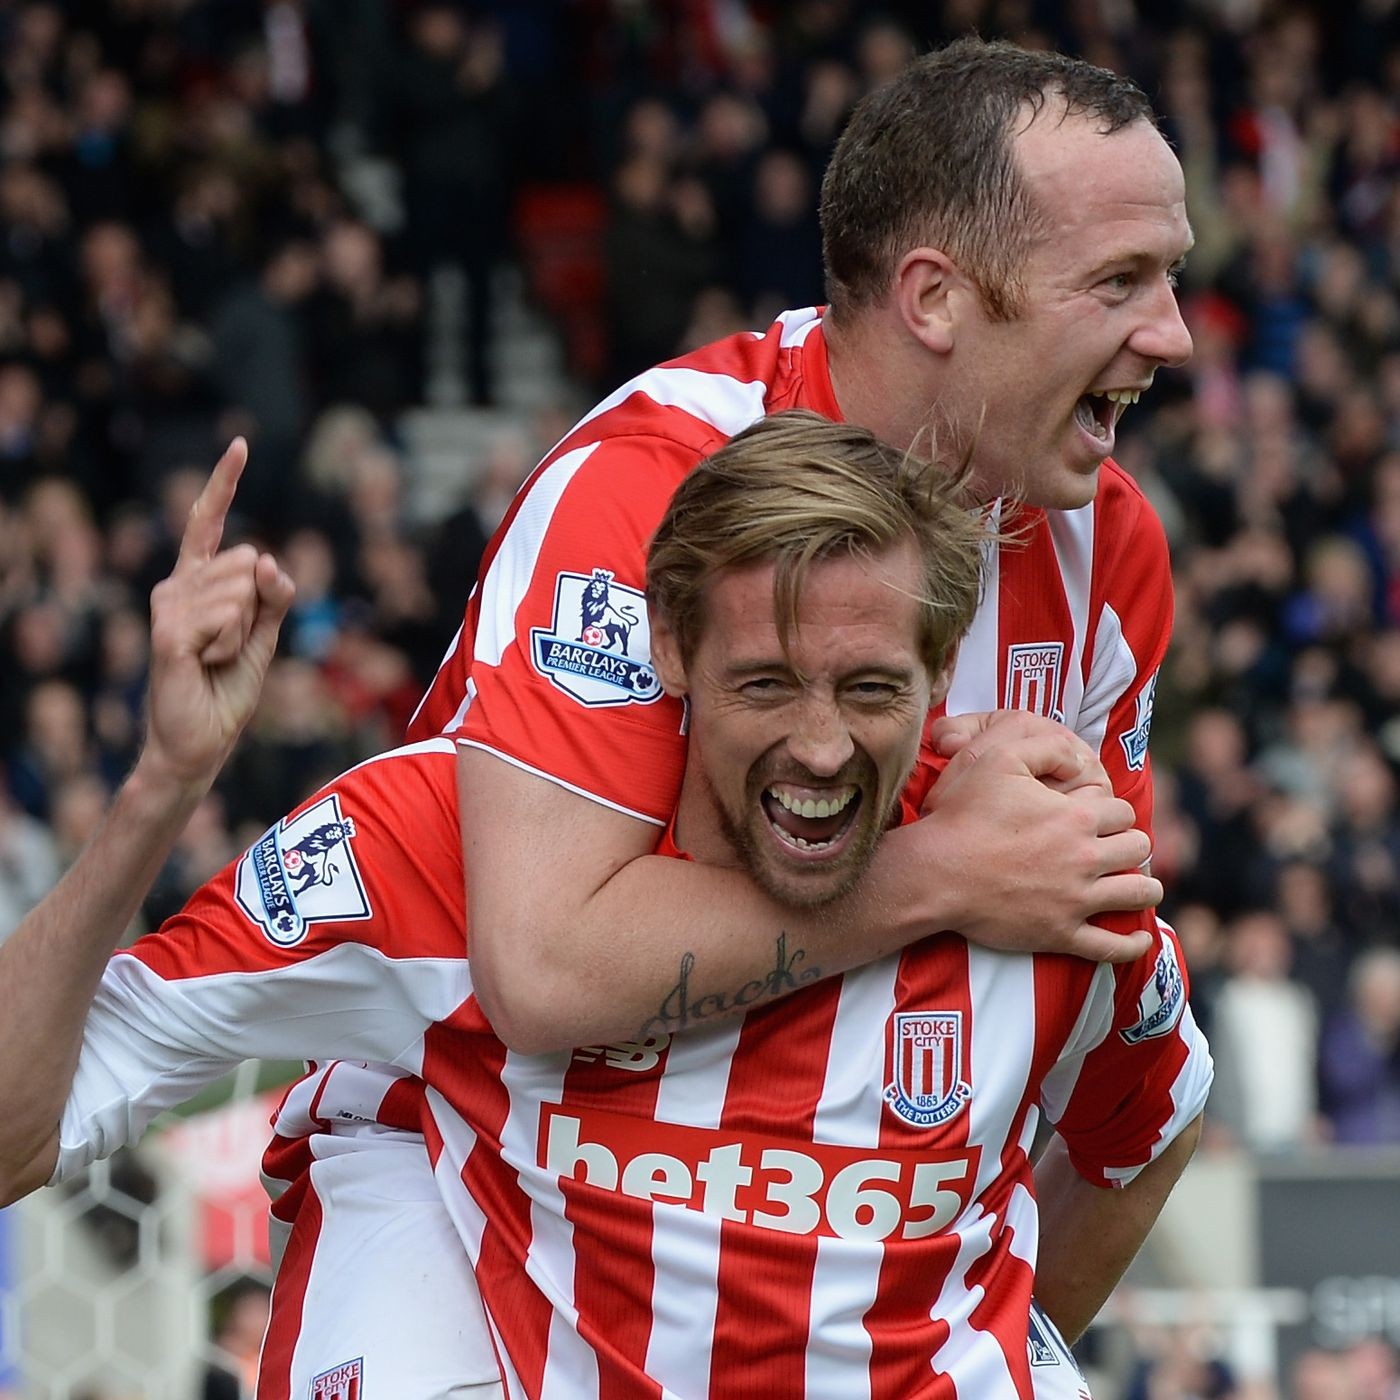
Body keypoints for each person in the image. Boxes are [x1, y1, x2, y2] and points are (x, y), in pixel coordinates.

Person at [267, 33, 1196, 1393]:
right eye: (1118, 281)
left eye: (1170, 276)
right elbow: (542, 970)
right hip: (475, 1154)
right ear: (934, 296)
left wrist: (943, 1342)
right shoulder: (645, 484)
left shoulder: (1106, 550)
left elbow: (1102, 1010)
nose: (1171, 332)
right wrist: (940, 871)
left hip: (815, 1197)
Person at [0, 413, 1209, 1399]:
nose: (820, 745)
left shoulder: (1040, 868)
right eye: (764, 683)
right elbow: (17, 1129)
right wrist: (163, 783)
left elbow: (1149, 1127)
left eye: (870, 688)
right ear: (670, 649)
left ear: (942, 670)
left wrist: (1004, 1340)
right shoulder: (441, 853)